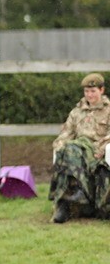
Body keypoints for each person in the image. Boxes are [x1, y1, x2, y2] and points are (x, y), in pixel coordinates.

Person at [49, 73, 110, 223]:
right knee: (68, 149)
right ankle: (73, 198)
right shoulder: (76, 112)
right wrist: (60, 147)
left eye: (93, 91)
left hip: (96, 149)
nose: (89, 95)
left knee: (71, 149)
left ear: (102, 90)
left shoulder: (108, 110)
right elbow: (66, 133)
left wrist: (101, 148)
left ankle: (65, 201)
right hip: (77, 150)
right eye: (86, 91)